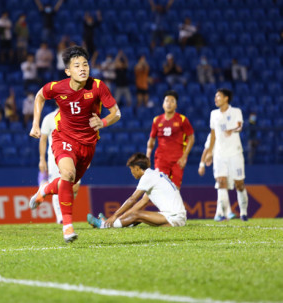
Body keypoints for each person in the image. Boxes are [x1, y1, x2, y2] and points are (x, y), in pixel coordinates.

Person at [28, 46, 121, 242]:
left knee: (69, 183)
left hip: (88, 144)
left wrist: (103, 122)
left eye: (85, 64)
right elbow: (39, 96)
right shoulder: (57, 87)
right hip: (64, 138)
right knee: (68, 175)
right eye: (77, 65)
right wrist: (35, 124)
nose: (82, 69)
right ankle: (67, 227)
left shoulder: (97, 86)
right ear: (68, 71)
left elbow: (117, 113)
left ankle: (44, 189)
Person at [87, 153, 187, 228]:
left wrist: (114, 215)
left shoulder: (147, 177)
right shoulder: (154, 174)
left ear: (137, 168)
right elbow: (142, 202)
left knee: (137, 214)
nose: (132, 172)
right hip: (178, 218)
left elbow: (132, 199)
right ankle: (116, 223)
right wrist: (117, 218)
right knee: (137, 214)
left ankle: (104, 225)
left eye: (131, 169)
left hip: (174, 218)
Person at [205, 88, 249, 221]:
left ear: (226, 98)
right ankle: (223, 214)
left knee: (239, 183)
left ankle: (243, 212)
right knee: (221, 182)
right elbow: (213, 135)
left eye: (218, 96)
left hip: (235, 153)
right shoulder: (213, 114)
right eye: (215, 96)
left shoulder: (236, 111)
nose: (215, 99)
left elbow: (240, 126)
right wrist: (209, 153)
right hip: (219, 154)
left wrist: (232, 129)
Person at [39, 108, 81, 224]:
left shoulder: (75, 116)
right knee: (60, 185)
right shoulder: (49, 118)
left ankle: (65, 211)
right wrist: (42, 159)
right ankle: (61, 217)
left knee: (75, 186)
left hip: (73, 154)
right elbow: (43, 140)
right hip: (55, 157)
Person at [146, 90, 194, 189]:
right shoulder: (157, 120)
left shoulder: (182, 120)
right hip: (161, 159)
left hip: (178, 159)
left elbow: (191, 138)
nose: (169, 103)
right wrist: (147, 156)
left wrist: (184, 157)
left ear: (176, 105)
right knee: (161, 188)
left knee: (175, 189)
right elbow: (151, 140)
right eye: (167, 101)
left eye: (172, 101)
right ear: (163, 104)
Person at [198, 133, 236, 220]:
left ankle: (219, 213)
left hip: (229, 162)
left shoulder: (230, 133)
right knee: (222, 183)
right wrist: (202, 165)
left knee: (225, 187)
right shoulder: (213, 134)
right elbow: (206, 150)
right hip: (218, 162)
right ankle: (228, 212)